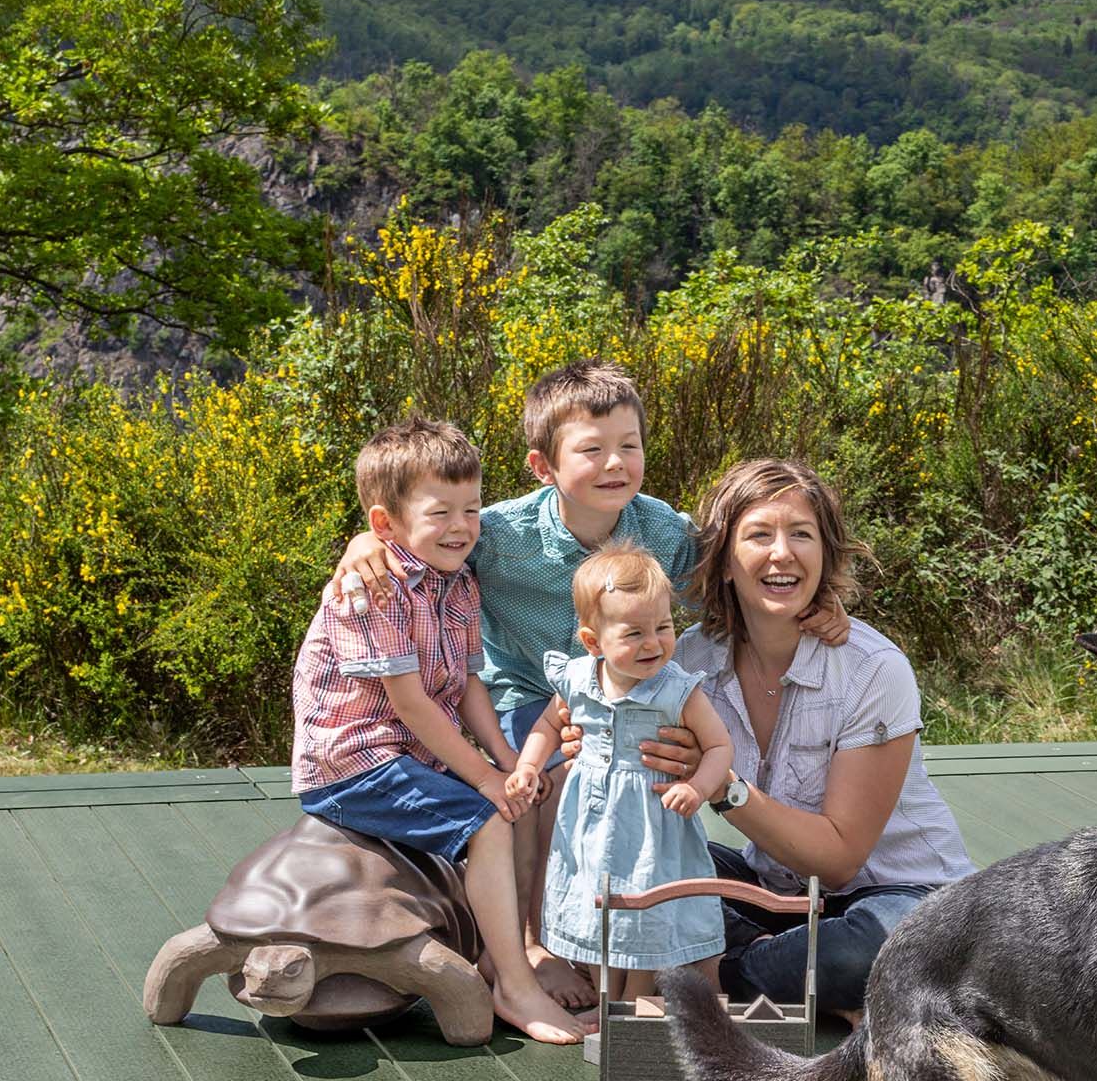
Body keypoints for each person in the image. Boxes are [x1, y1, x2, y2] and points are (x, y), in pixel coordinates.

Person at [329, 362, 846, 1008]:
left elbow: (736, 568)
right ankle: (532, 944)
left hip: (629, 694)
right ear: (543, 466)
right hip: (526, 692)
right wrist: (359, 543)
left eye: (629, 446)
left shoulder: (662, 531)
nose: (615, 463)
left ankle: (627, 939)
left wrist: (812, 601)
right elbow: (428, 532)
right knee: (543, 785)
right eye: (592, 449)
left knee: (642, 797)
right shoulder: (502, 533)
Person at [598, 457, 974, 1021]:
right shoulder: (690, 661)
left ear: (824, 557)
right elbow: (608, 656)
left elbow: (841, 860)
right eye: (759, 535)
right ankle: (794, 981)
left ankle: (717, 972)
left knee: (886, 948)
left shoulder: (873, 669)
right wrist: (585, 741)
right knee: (636, 875)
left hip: (899, 895)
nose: (782, 553)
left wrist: (725, 789)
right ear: (725, 561)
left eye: (802, 535)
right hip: (776, 893)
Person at [289, 417, 584, 1044]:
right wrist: (483, 777)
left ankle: (492, 955)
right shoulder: (371, 591)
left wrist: (508, 761)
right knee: (488, 818)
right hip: (355, 763)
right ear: (384, 523)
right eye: (441, 512)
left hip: (409, 757)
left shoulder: (457, 583)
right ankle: (514, 982)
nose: (462, 527)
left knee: (509, 798)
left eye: (472, 510)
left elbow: (470, 685)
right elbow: (413, 704)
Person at [507, 544, 733, 1018]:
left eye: (664, 628)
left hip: (653, 819)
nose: (654, 643)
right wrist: (528, 766)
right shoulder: (577, 680)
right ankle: (609, 999)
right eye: (635, 634)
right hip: (590, 821)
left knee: (645, 909)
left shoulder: (676, 689)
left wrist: (696, 786)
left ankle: (635, 1001)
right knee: (599, 908)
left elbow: (718, 747)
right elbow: (549, 726)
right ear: (593, 642)